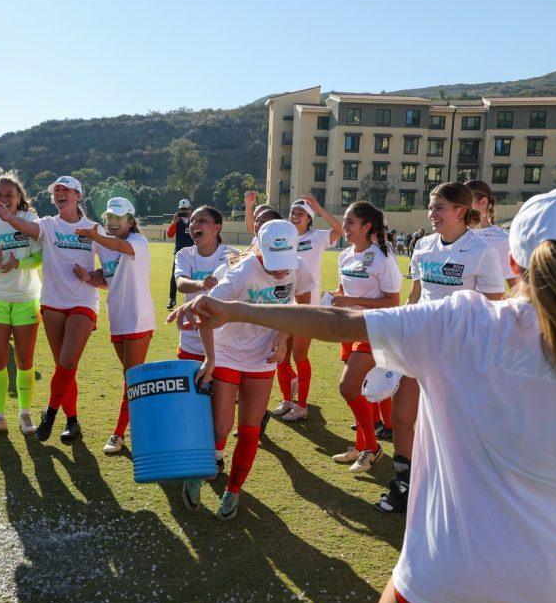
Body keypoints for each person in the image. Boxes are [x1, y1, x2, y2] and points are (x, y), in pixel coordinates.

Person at [174, 188, 556, 603]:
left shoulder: (460, 322)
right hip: (554, 583)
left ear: (512, 261)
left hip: (444, 569)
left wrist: (232, 309)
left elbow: (338, 322)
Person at [170, 220, 312, 520]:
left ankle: (233, 491)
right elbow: (204, 312)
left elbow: (300, 305)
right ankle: (198, 472)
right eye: (275, 264)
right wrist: (209, 359)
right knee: (220, 427)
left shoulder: (298, 267)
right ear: (260, 250)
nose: (281, 271)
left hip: (262, 360)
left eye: (285, 264)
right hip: (228, 354)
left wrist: (283, 335)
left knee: (249, 430)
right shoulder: (241, 273)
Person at [380, 182, 504, 513]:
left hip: (459, 353)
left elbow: (494, 308)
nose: (431, 214)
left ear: (460, 212)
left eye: (438, 208)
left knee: (452, 428)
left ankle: (452, 490)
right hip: (420, 344)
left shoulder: (482, 252)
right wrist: (402, 332)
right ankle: (404, 483)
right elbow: (416, 296)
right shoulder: (422, 246)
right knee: (402, 417)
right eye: (431, 207)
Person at [0, 175, 98, 443]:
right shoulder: (48, 225)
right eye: (56, 191)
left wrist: (89, 276)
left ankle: (49, 414)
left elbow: (107, 267)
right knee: (63, 365)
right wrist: (6, 216)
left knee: (68, 361)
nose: (59, 193)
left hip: (83, 302)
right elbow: (27, 228)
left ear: (78, 196)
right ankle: (72, 422)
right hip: (52, 303)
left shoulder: (93, 228)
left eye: (65, 190)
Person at [72, 197, 155, 454]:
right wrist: (88, 277)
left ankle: (119, 434)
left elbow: (120, 246)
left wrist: (95, 237)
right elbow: (108, 277)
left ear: (130, 221)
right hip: (118, 320)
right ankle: (147, 416)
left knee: (131, 379)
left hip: (138, 319)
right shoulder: (106, 245)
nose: (113, 222)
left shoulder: (137, 242)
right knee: (133, 379)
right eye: (109, 217)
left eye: (119, 218)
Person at [326, 202, 401, 471]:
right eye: (344, 222)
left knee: (348, 387)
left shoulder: (384, 257)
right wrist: (335, 296)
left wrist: (351, 299)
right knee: (361, 391)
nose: (344, 227)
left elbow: (393, 302)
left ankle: (371, 446)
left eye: (349, 222)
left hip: (375, 329)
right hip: (349, 328)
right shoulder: (345, 255)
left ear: (366, 226)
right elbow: (342, 287)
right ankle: (361, 445)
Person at [0, 174, 43, 439]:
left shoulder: (30, 221)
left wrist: (18, 264)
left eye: (9, 195)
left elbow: (40, 256)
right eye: (0, 195)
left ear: (18, 197)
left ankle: (25, 414)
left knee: (25, 361)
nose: (4, 200)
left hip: (27, 299)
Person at [272, 196, 342, 422]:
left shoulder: (317, 237)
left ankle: (301, 405)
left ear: (309, 220)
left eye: (300, 214)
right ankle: (287, 400)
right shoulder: (283, 238)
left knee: (299, 354)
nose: (294, 216)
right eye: (292, 213)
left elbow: (339, 229)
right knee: (281, 356)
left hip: (307, 306)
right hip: (283, 303)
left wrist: (319, 208)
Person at [172, 206, 236, 362]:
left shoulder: (232, 255)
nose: (194, 224)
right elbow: (181, 283)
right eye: (192, 220)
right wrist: (202, 284)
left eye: (202, 220)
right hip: (190, 340)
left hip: (222, 342)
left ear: (217, 228)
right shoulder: (184, 254)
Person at [465, 179, 516, 289]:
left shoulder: (501, 239)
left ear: (483, 202)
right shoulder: (456, 235)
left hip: (485, 305)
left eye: (466, 202)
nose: (461, 207)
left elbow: (515, 286)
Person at [165, 199, 193, 309]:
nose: (183, 211)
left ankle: (190, 299)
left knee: (192, 276)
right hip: (179, 253)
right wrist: (173, 222)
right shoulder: (177, 222)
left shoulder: (194, 220)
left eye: (185, 209)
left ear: (190, 209)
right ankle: (172, 299)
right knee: (174, 276)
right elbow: (170, 235)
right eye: (181, 209)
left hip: (193, 252)